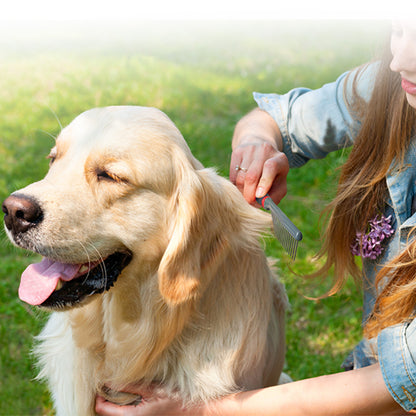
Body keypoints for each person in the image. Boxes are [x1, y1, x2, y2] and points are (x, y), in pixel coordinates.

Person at [96, 20, 416, 415]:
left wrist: (199, 410)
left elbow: (402, 380)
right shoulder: (390, 84)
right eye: (399, 30)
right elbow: (275, 119)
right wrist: (257, 143)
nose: (401, 58)